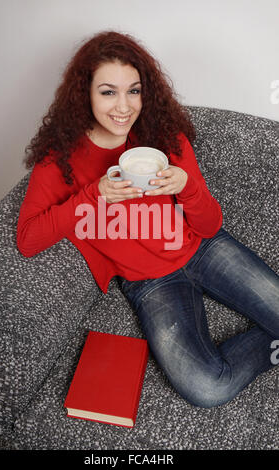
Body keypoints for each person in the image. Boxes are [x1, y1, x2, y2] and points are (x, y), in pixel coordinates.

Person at [17, 31, 279, 408]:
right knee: (209, 388)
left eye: (133, 91)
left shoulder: (163, 136)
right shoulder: (59, 162)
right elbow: (28, 239)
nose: (123, 107)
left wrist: (186, 186)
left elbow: (209, 225)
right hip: (150, 283)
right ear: (84, 94)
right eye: (108, 91)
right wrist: (94, 196)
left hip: (202, 248)